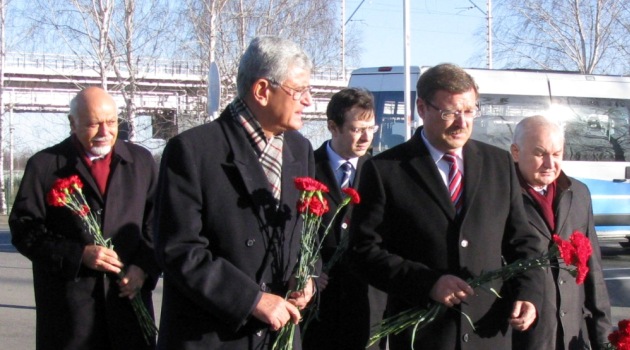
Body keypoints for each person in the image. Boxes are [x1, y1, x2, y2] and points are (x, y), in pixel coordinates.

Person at [348, 63, 545, 350]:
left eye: (469, 111)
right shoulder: (385, 170)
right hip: (424, 335)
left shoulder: (499, 164)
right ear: (421, 108)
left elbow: (522, 240)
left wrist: (529, 292)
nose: (461, 122)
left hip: (488, 333)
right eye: (449, 112)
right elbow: (362, 251)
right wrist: (426, 283)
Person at [154, 36, 316, 350]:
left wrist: (307, 274)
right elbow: (178, 249)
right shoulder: (193, 150)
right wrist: (251, 299)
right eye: (299, 91)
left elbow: (307, 230)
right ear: (262, 91)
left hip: (278, 336)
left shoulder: (300, 150)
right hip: (214, 337)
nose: (308, 101)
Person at [9, 87, 160, 350]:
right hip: (70, 318)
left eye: (111, 122)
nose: (105, 132)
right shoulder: (44, 165)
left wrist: (143, 267)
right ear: (72, 123)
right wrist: (79, 255)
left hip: (129, 311)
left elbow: (159, 224)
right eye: (94, 124)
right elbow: (24, 230)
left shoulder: (141, 162)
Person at [510, 115, 612, 350]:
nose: (550, 163)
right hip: (525, 338)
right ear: (516, 152)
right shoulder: (499, 195)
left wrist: (603, 339)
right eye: (539, 153)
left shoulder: (578, 193)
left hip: (572, 337)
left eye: (556, 154)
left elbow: (592, 270)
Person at [302, 88, 387, 350]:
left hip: (367, 304)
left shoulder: (382, 172)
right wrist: (309, 269)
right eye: (357, 128)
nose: (366, 137)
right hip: (318, 304)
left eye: (371, 128)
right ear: (333, 127)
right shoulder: (305, 168)